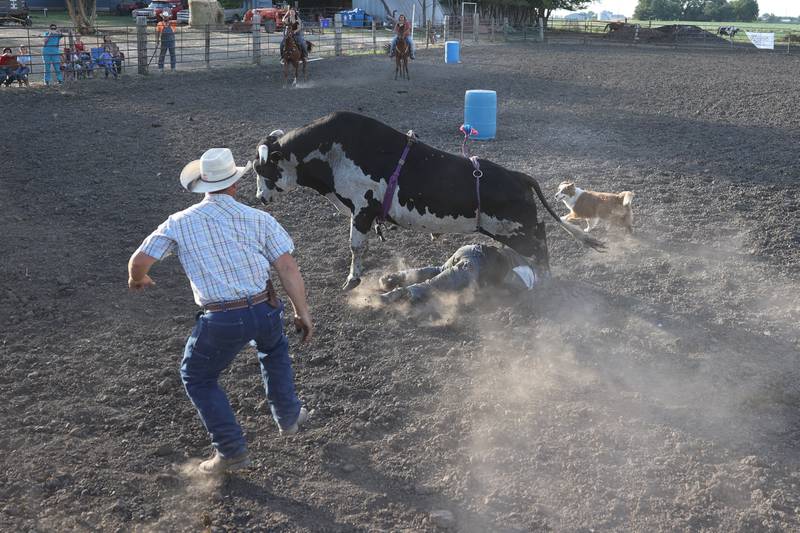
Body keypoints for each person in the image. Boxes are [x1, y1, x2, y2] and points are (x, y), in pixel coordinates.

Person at [128, 148, 313, 475]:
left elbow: (140, 261)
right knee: (273, 350)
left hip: (222, 318)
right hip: (265, 308)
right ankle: (288, 417)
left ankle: (230, 451)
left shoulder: (179, 223)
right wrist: (302, 312)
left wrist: (138, 280)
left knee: (197, 377)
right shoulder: (259, 219)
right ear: (235, 184)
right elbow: (287, 266)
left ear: (202, 185)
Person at [378, 244, 544, 304]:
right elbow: (506, 291)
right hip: (476, 265)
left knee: (440, 271)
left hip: (470, 250)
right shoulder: (527, 278)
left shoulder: (520, 259)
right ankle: (393, 296)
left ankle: (397, 277)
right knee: (435, 285)